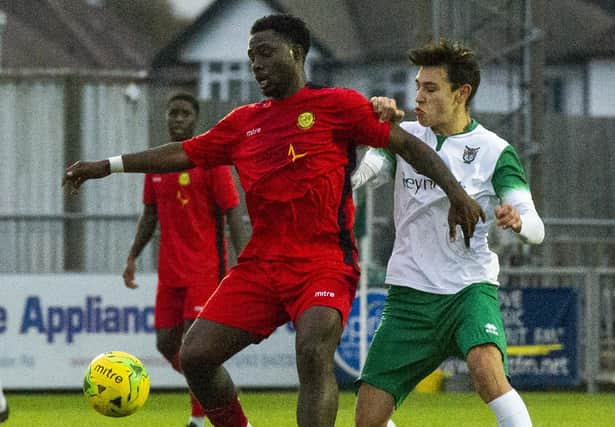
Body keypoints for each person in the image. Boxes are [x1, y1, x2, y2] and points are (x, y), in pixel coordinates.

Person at [63, 14, 484, 427]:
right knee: (195, 356)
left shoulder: (337, 106)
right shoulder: (244, 123)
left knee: (314, 349)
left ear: (296, 53)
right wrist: (108, 165)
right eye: (251, 57)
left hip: (324, 262)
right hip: (262, 267)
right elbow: (183, 153)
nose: (256, 64)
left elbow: (408, 146)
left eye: (265, 52)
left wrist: (456, 192)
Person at [352, 39, 545, 427]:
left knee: (486, 370)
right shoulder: (403, 136)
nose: (418, 97)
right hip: (409, 296)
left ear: (462, 93)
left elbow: (536, 227)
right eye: (418, 87)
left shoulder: (494, 150)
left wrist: (518, 221)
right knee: (367, 419)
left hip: (468, 289)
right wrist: (354, 166)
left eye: (431, 89)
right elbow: (367, 173)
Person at [123, 92, 247, 427]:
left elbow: (233, 212)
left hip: (205, 270)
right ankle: (214, 387)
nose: (177, 119)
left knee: (194, 347)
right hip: (170, 272)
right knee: (166, 344)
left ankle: (198, 418)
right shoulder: (158, 164)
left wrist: (244, 260)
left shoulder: (210, 161)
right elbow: (150, 214)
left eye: (184, 114)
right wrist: (133, 254)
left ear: (195, 119)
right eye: (172, 113)